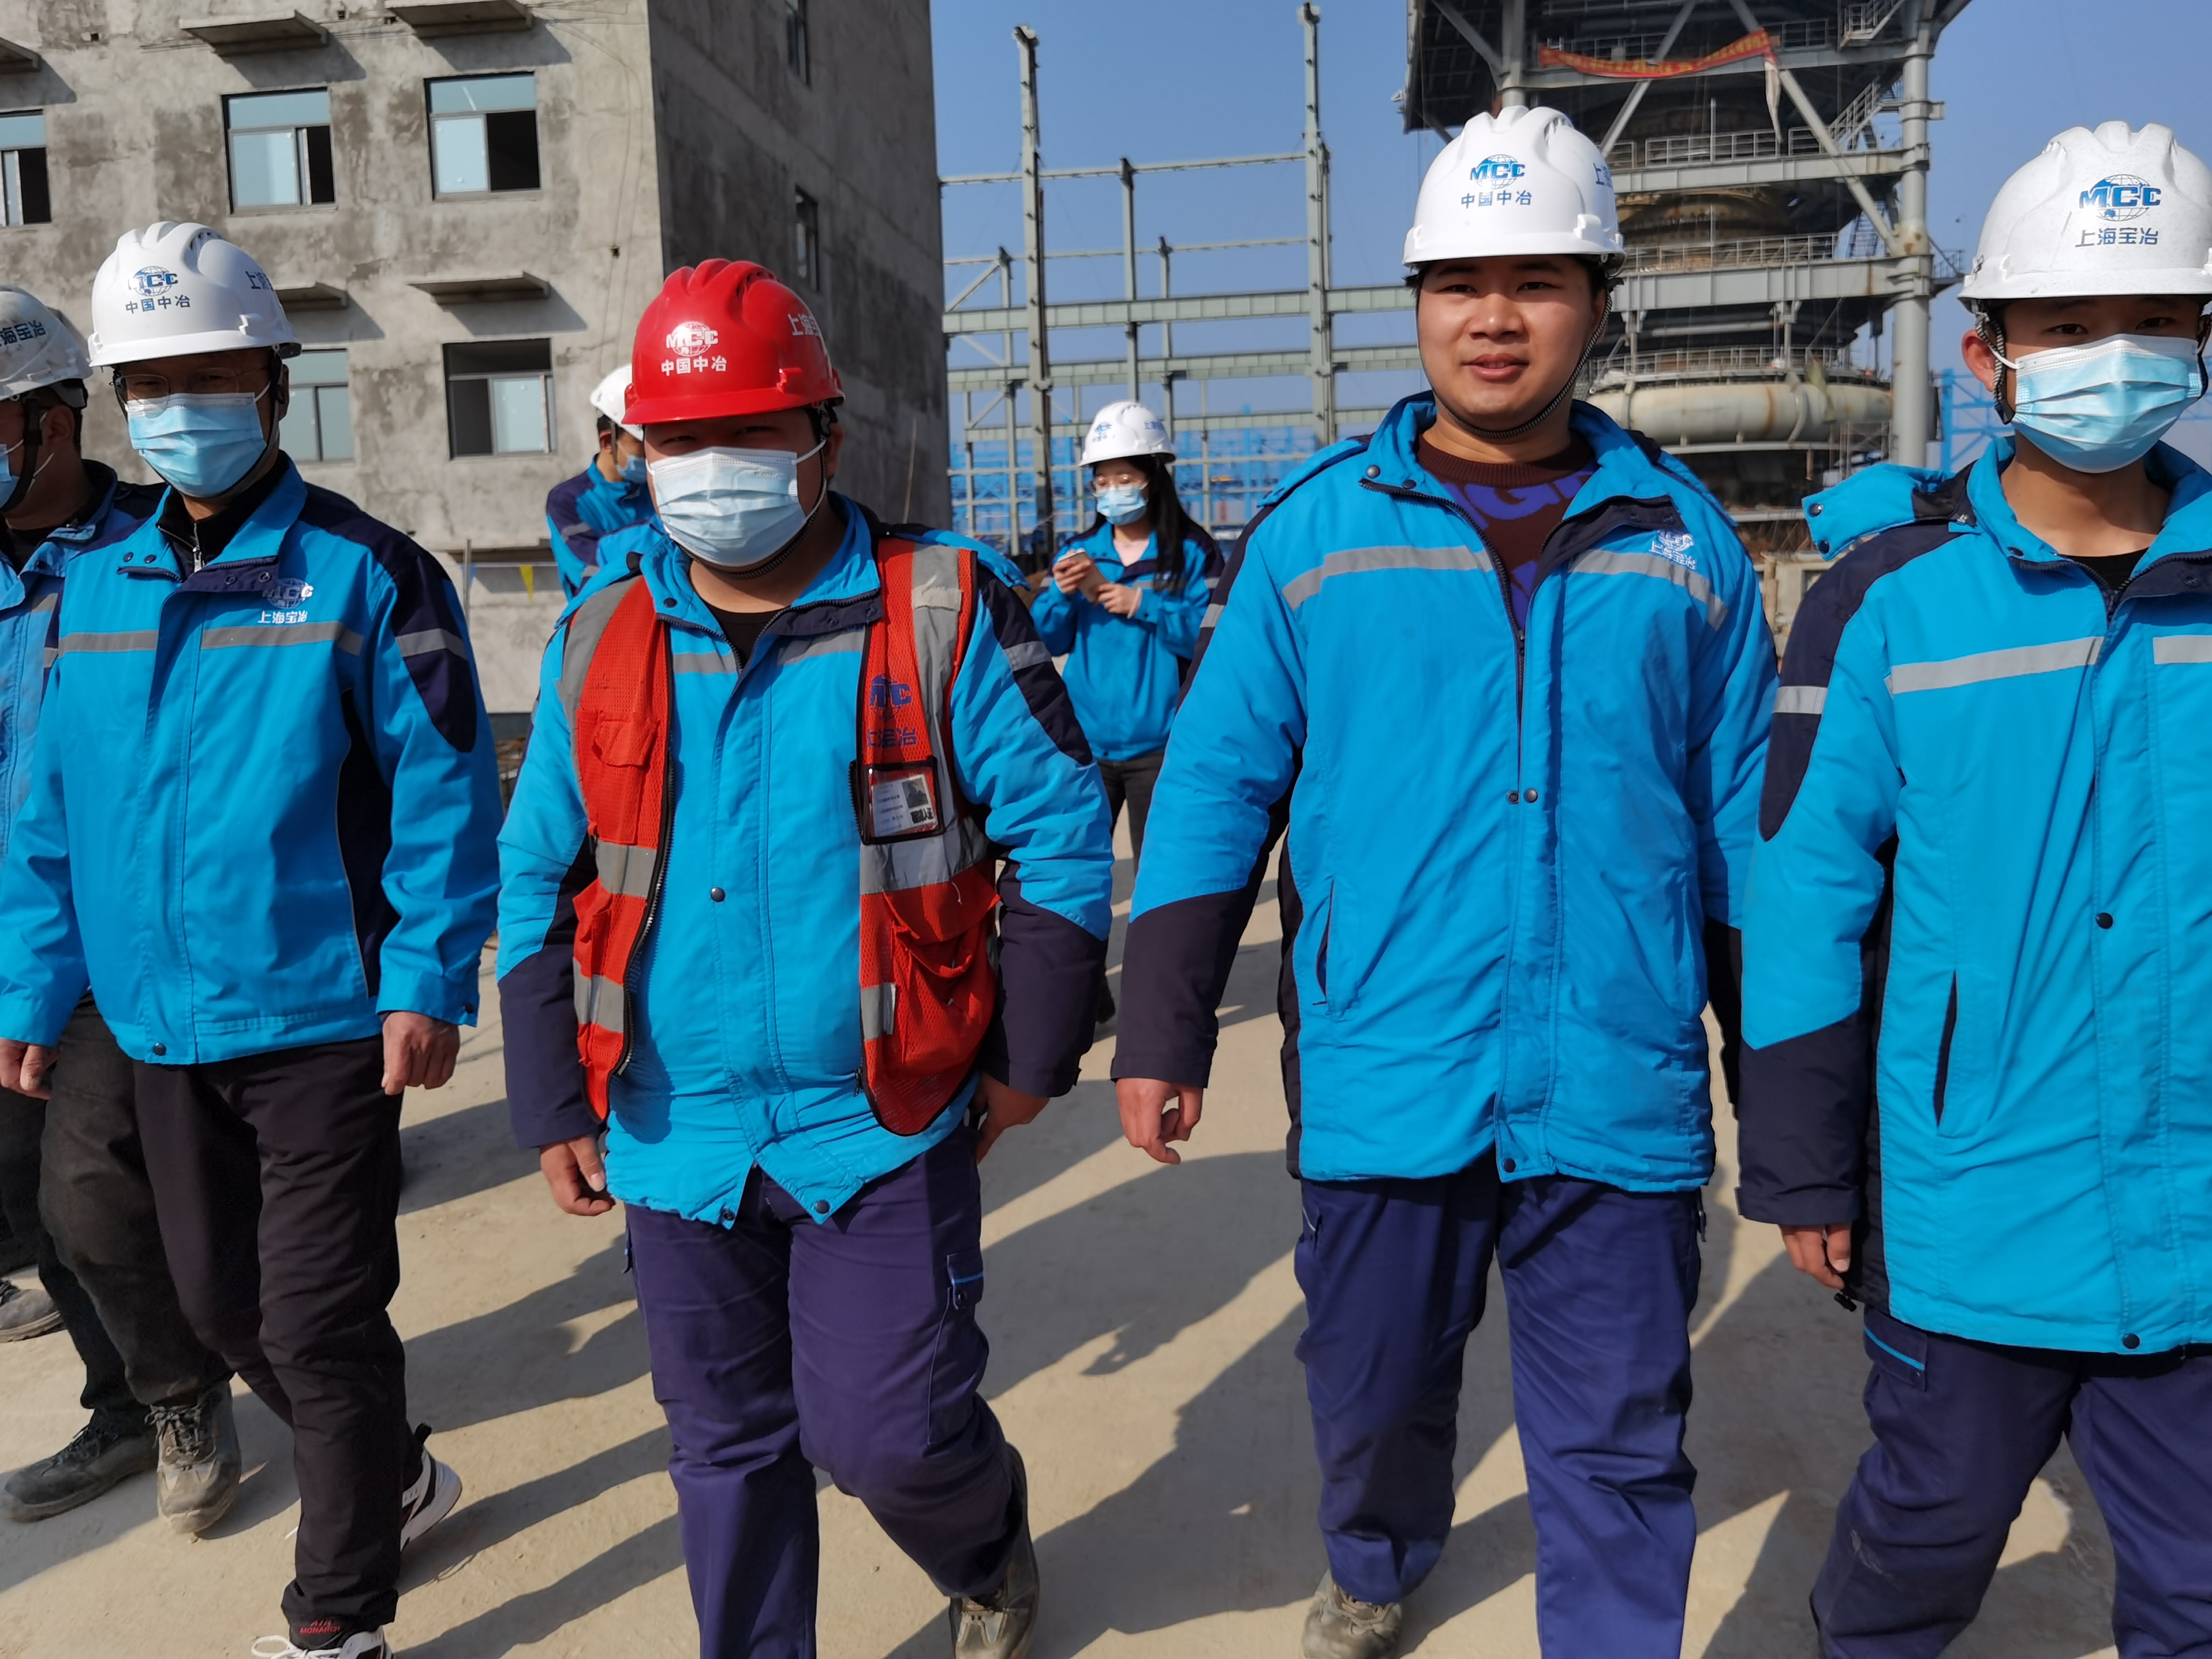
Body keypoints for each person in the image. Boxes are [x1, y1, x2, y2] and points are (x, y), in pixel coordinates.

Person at [1112, 106, 1776, 1658]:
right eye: (1460, 283)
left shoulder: (1685, 548)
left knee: (1620, 1440)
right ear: (1414, 304)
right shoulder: (1315, 538)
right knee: (1374, 1390)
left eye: (1537, 282)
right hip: (1387, 1072)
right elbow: (1214, 789)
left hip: (1613, 1083)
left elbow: (1742, 831)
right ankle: (1376, 1553)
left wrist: (1784, 1084)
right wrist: (1162, 1022)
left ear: (1597, 304)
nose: (1495, 317)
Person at [497, 259, 1112, 1659]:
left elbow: (1063, 833)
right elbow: (539, 869)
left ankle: (983, 1541)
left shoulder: (939, 604)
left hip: (877, 1118)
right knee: (724, 1448)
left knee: (889, 1434)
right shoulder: (604, 627)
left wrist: (1028, 1060)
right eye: (679, 439)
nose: (711, 465)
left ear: (824, 435)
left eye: (749, 430)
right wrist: (546, 1094)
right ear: (637, 451)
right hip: (674, 1131)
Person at [1738, 120, 2212, 1659]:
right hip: (1969, 1203)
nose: (2112, 357)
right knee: (1925, 1535)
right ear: (1989, 350)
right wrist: (1805, 1164)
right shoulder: (1892, 601)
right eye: (2067, 324)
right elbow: (1805, 890)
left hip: (2196, 1205)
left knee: (2202, 1584)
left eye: (2153, 320)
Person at [0, 222, 501, 1659]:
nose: (179, 406)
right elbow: (53, 820)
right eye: (151, 382)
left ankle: (336, 1617)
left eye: (208, 374)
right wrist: (32, 991)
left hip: (324, 1022)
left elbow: (444, 795)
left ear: (274, 382)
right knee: (225, 1311)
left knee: (321, 1321)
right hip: (158, 1027)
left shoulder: (368, 575)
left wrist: (427, 978)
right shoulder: (99, 586)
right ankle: (394, 1475)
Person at [0, 284, 239, 1532]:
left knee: (90, 1186)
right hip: (11, 936)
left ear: (54, 420)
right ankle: (124, 1402)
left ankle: (186, 1392)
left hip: (123, 934)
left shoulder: (161, 546)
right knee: (25, 1197)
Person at [1031, 399, 1222, 869]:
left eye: (1123, 479)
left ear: (1152, 478)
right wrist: (1060, 595)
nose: (1112, 491)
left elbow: (1213, 641)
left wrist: (1143, 605)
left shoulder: (1192, 552)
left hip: (1162, 744)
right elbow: (1048, 642)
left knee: (1158, 867)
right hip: (1086, 742)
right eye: (1101, 482)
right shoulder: (1078, 554)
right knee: (1078, 866)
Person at [545, 362, 655, 598]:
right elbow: (595, 571)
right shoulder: (568, 501)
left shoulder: (659, 486)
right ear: (607, 442)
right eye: (642, 443)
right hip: (605, 614)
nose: (652, 452)